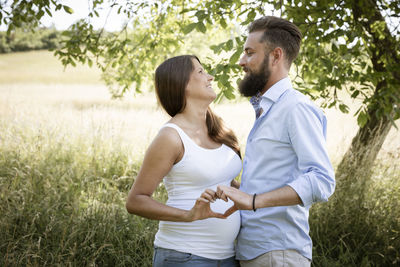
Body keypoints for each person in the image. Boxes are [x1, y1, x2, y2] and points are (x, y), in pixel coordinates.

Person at [217, 16, 336, 267]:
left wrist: (253, 201)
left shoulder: (295, 109)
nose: (241, 61)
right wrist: (243, 190)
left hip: (277, 253)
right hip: (256, 250)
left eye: (250, 53)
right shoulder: (267, 109)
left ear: (275, 55)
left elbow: (322, 180)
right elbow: (276, 176)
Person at [126, 55, 242, 267]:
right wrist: (188, 215)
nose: (210, 76)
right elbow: (135, 201)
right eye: (200, 72)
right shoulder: (171, 137)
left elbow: (223, 179)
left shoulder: (219, 129)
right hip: (185, 256)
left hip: (228, 256)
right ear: (182, 84)